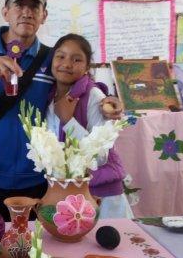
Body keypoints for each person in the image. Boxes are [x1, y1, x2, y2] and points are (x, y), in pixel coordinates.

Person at [0, 0, 122, 221]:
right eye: (19, 5)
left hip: (37, 179)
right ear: (5, 11)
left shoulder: (51, 58)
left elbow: (79, 82)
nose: (27, 12)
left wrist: (106, 97)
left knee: (33, 242)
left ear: (44, 15)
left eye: (34, 7)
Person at [47, 33, 132, 219]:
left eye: (76, 59)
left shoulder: (94, 97)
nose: (67, 64)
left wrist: (68, 122)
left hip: (102, 196)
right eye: (60, 56)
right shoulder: (49, 96)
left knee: (108, 237)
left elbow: (100, 156)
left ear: (87, 67)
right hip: (66, 192)